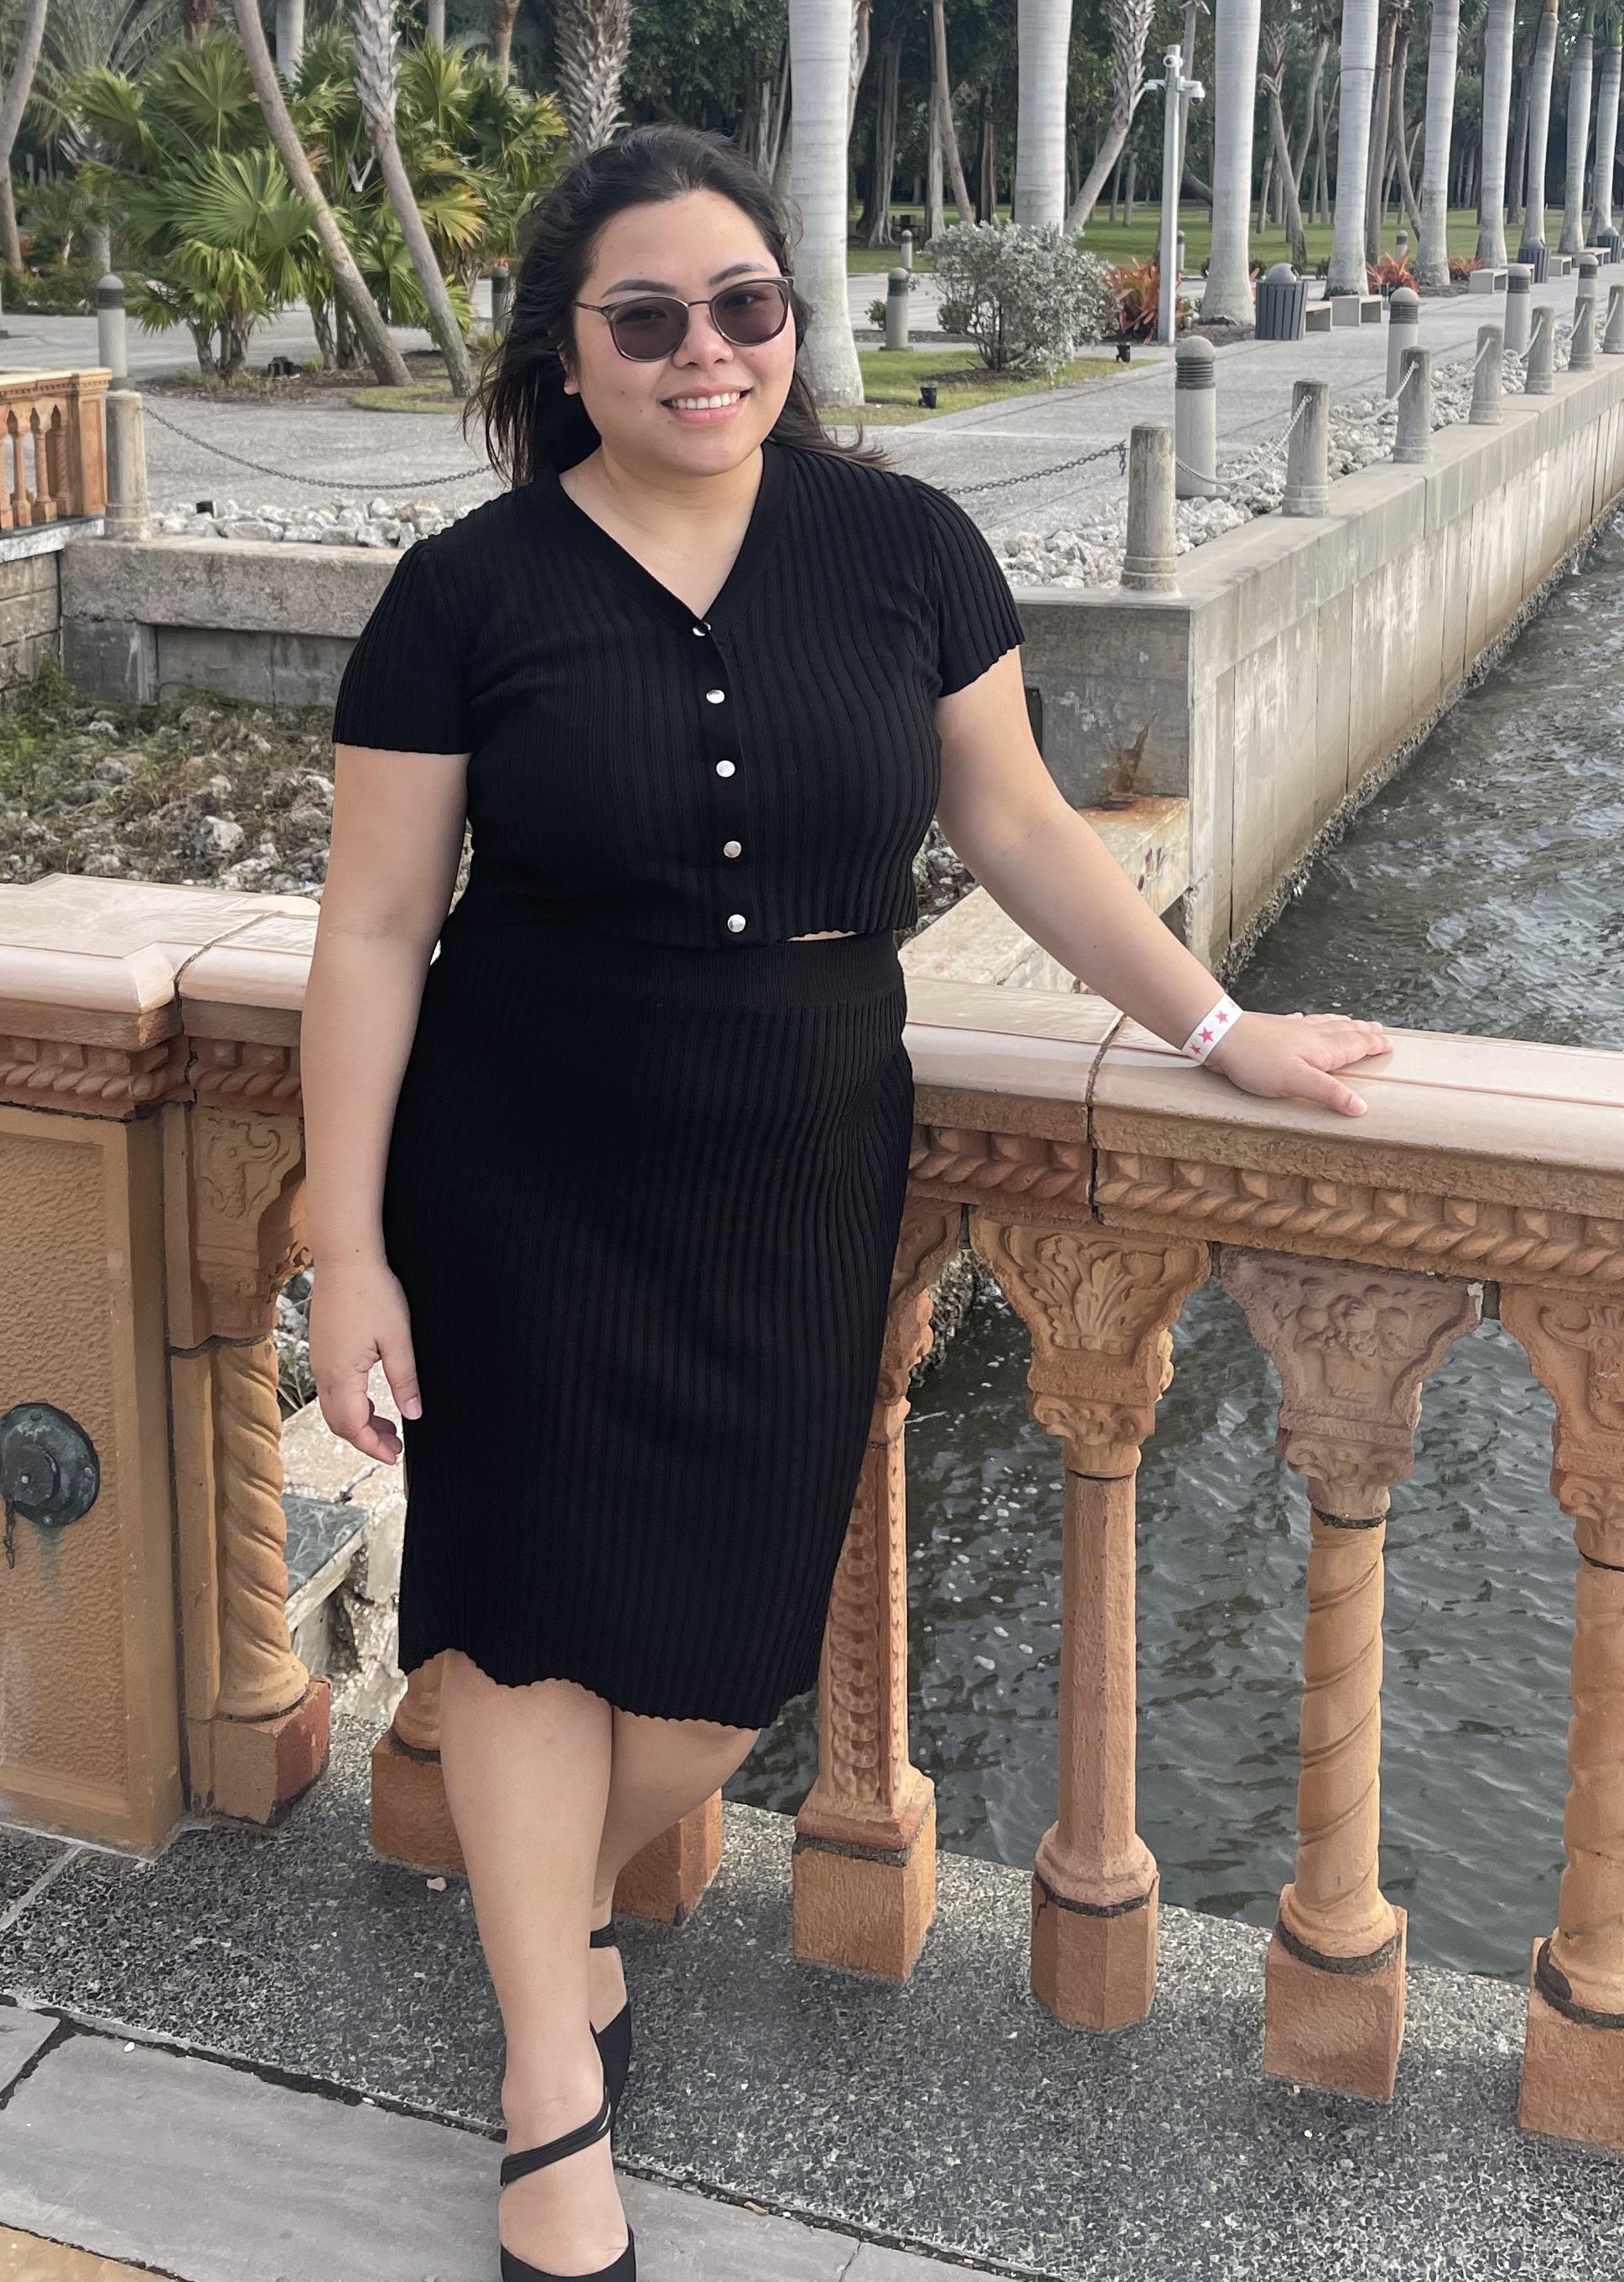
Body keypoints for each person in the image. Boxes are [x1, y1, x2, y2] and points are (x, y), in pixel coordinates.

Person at [303, 126, 1386, 2282]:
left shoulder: (904, 549)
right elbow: (373, 927)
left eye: (746, 307)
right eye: (646, 318)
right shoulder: (465, 596)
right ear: (567, 350)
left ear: (793, 321)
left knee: (720, 1669)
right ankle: (546, 2078)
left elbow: (1023, 826)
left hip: (797, 1159)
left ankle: (543, 1907)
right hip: (521, 1158)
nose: (704, 352)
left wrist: (1217, 1027)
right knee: (518, 1615)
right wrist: (351, 1251)